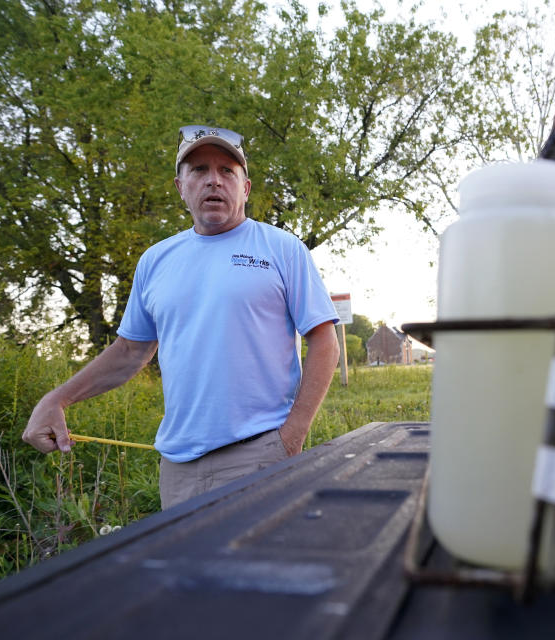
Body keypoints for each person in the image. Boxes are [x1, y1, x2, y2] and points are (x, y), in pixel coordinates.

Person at [22, 125, 340, 509]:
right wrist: (57, 399)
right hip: (178, 470)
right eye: (199, 170)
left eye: (227, 171)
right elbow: (128, 353)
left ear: (246, 187)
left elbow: (324, 341)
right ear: (180, 186)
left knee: (254, 571)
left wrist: (293, 435)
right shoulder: (155, 261)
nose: (213, 181)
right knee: (187, 571)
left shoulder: (282, 249)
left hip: (261, 455)